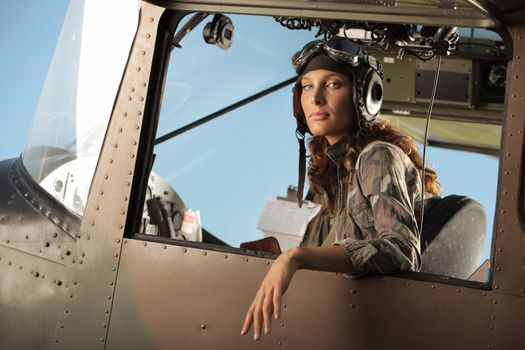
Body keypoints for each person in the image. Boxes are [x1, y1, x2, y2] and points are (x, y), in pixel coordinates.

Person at [240, 37, 441, 340]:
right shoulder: (336, 179)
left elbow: (402, 250)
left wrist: (296, 257)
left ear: (364, 97)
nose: (316, 99)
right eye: (307, 86)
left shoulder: (378, 155)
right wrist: (281, 258)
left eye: (333, 85)